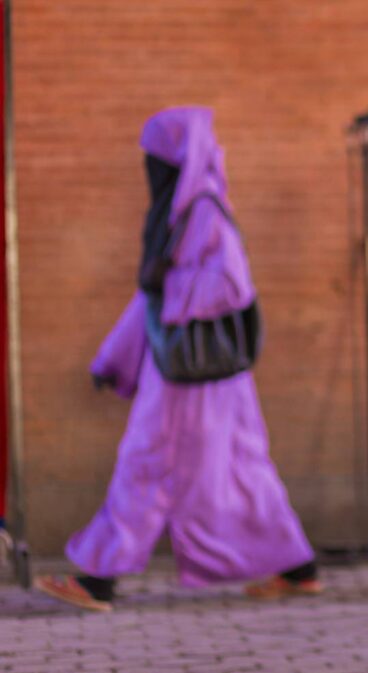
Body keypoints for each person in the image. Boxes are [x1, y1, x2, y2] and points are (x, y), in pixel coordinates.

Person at [34, 107, 320, 611]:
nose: (150, 169)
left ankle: (98, 579)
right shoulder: (182, 211)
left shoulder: (203, 209)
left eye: (155, 160)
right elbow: (153, 299)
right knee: (244, 469)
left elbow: (231, 284)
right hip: (208, 377)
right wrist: (114, 358)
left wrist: (170, 285)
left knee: (145, 465)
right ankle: (299, 569)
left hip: (186, 381)